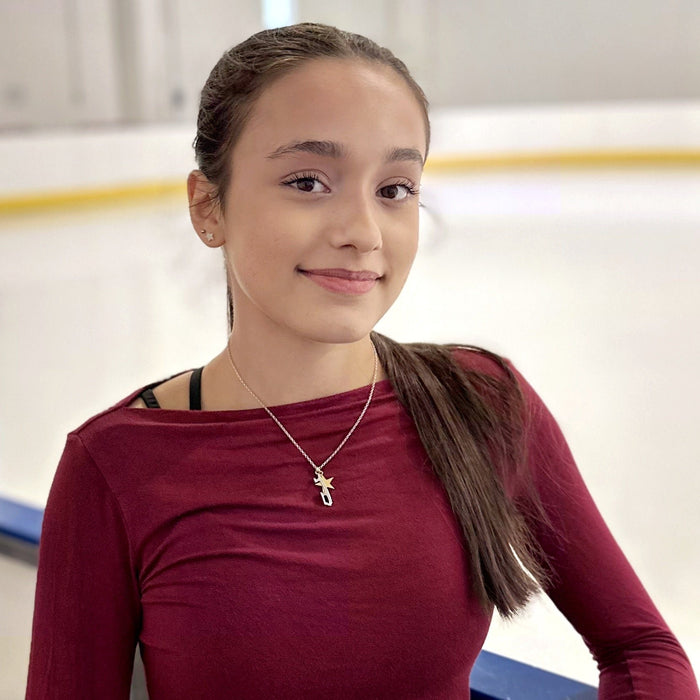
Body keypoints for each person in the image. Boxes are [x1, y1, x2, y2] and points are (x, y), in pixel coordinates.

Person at [26, 23, 698, 700]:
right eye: (309, 181)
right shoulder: (115, 467)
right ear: (208, 207)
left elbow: (642, 651)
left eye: (395, 189)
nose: (363, 234)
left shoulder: (481, 404)